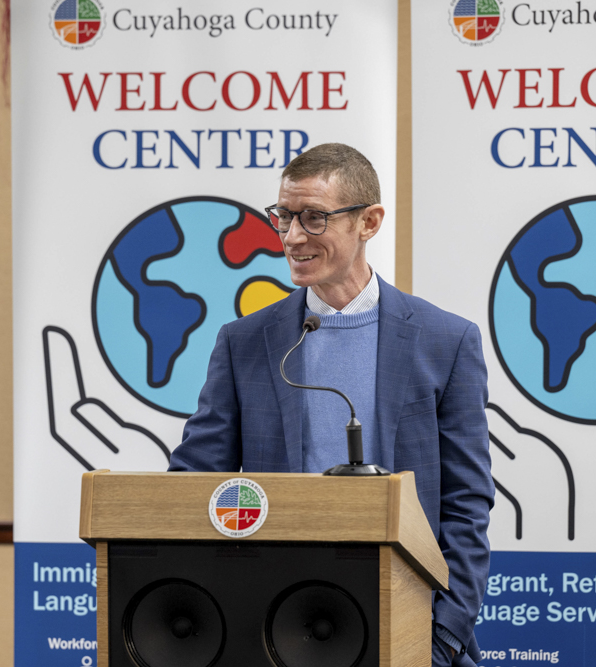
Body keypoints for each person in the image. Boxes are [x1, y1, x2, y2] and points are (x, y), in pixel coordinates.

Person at [168, 143, 493, 666]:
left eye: (314, 218)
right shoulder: (244, 341)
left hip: (406, 623)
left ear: (369, 221)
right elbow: (194, 485)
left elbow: (465, 507)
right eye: (284, 216)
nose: (293, 237)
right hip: (270, 626)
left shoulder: (445, 341)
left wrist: (438, 641)